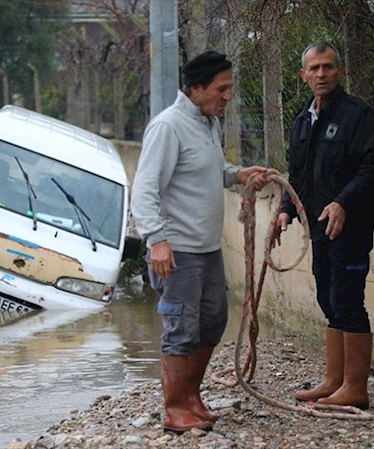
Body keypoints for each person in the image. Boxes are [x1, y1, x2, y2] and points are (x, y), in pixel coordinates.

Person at [131, 50, 270, 433]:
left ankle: (191, 396)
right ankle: (175, 408)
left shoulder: (207, 122)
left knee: (212, 321)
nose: (228, 97)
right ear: (196, 89)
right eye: (221, 89)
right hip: (177, 252)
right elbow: (144, 190)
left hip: (207, 249)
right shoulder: (168, 127)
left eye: (229, 89)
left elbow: (202, 169)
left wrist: (237, 175)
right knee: (181, 327)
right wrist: (157, 240)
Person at [274, 42, 374, 410]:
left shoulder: (359, 115)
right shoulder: (301, 120)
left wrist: (343, 202)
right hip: (319, 227)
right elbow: (298, 176)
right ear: (303, 75)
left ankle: (356, 388)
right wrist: (285, 210)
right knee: (328, 298)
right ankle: (333, 380)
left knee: (348, 299)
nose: (321, 74)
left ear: (339, 72)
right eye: (314, 68)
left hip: (351, 225)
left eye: (327, 67)